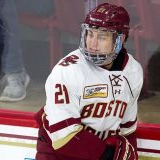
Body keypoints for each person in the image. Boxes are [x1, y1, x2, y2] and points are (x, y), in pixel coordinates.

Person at [35, 3, 143, 160]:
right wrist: (109, 156)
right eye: (90, 34)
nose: (92, 43)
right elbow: (64, 137)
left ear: (121, 39)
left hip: (97, 151)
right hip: (58, 154)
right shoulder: (68, 70)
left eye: (102, 37)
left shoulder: (133, 71)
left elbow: (127, 129)